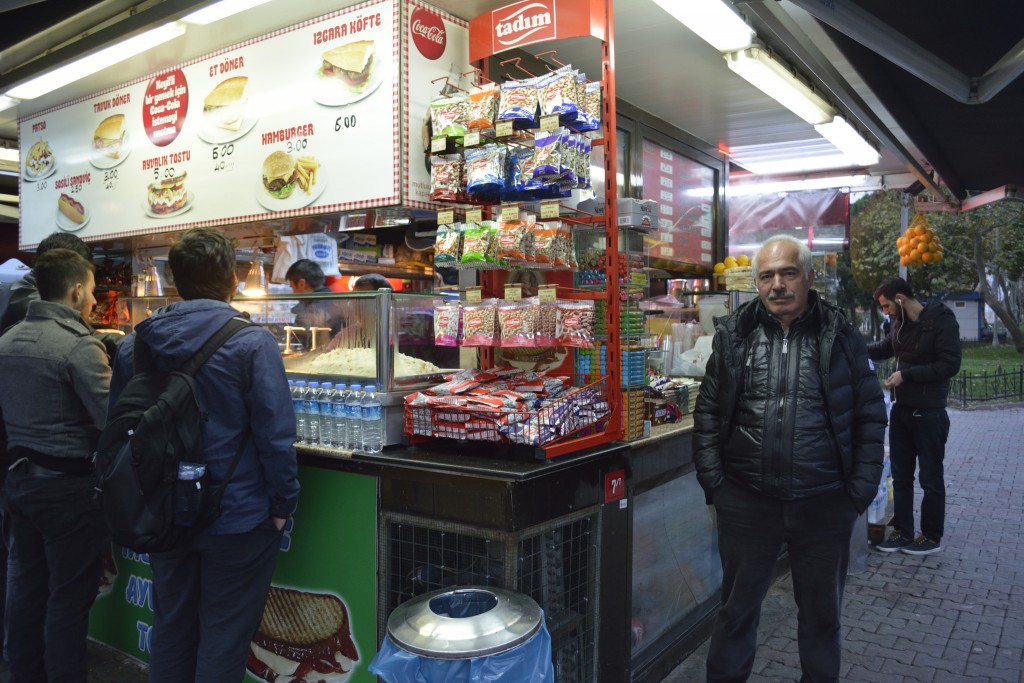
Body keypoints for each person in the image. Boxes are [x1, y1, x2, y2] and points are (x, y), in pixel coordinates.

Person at [108, 228, 299, 681]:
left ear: (175, 279)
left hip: (162, 511)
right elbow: (275, 436)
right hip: (236, 515)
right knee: (224, 638)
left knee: (171, 627)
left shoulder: (135, 344)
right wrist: (282, 505)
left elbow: (118, 427)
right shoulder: (251, 343)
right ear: (232, 277)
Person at [693, 234, 887, 683]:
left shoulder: (841, 337)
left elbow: (870, 416)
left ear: (808, 278)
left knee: (821, 619)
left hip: (824, 503)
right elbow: (708, 410)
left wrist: (857, 493)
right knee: (735, 614)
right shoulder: (735, 335)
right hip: (746, 501)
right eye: (767, 276)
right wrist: (716, 485)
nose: (777, 284)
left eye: (788, 273)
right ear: (757, 283)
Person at [0, 248, 111, 681]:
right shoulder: (79, 346)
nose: (95, 301)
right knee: (68, 595)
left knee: (27, 585)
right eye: (93, 291)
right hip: (68, 491)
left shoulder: (6, 342)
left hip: (19, 483)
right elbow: (110, 420)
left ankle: (25, 673)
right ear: (77, 289)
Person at [868, 276, 961, 555]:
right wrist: (852, 346)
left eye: (886, 306)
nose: (885, 312)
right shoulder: (900, 324)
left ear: (900, 299)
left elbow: (949, 365)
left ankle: (931, 537)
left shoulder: (941, 320)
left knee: (930, 478)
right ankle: (902, 532)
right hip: (902, 411)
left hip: (929, 413)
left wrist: (906, 375)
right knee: (901, 476)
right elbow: (886, 348)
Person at [285, 259, 344, 348]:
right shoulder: (336, 302)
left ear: (301, 284)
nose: (293, 292)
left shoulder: (307, 310)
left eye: (292, 287)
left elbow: (301, 340)